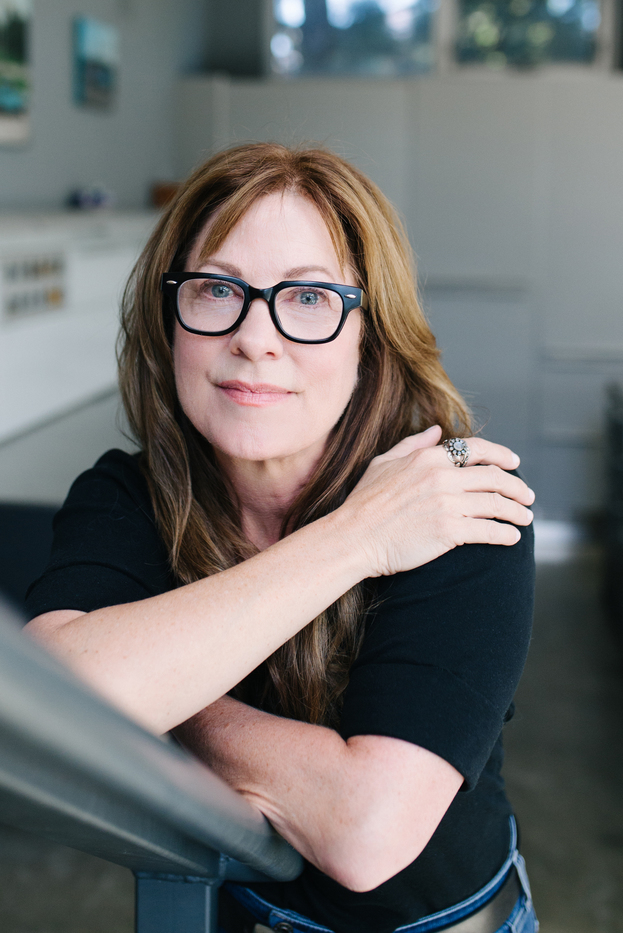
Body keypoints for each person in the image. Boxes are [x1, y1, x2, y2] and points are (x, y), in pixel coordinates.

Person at [25, 143, 538, 933]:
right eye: (216, 288)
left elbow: (364, 831)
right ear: (169, 317)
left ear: (370, 332)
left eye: (307, 297)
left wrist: (160, 691)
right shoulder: (128, 492)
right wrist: (357, 538)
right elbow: (51, 708)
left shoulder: (451, 499)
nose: (254, 338)